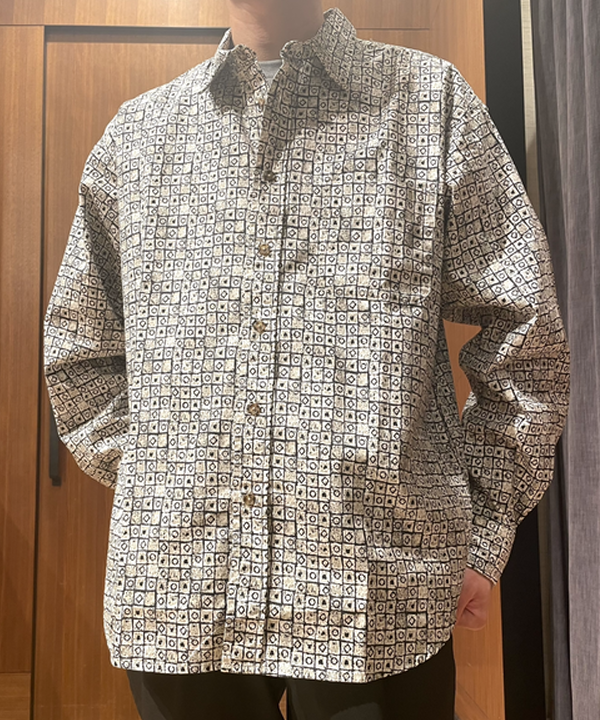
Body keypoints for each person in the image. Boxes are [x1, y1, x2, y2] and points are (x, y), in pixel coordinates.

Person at [43, 1, 570, 718]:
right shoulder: (138, 137)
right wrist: (162, 475)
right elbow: (81, 350)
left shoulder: (430, 105)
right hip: (179, 599)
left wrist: (483, 528)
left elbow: (527, 340)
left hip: (379, 595)